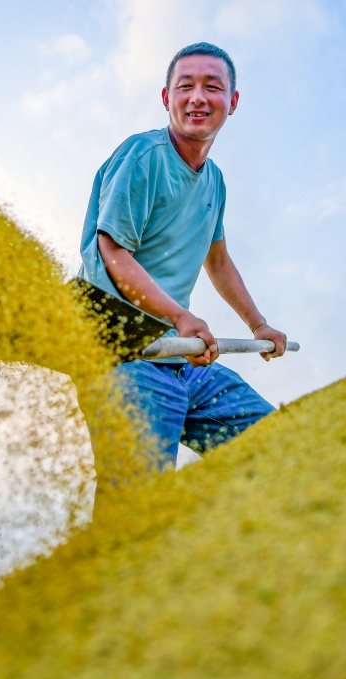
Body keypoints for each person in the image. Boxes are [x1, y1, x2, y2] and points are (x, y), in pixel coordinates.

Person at [78, 42, 288, 470]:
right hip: (123, 357)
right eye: (185, 85)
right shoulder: (144, 156)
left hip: (180, 360)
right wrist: (180, 316)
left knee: (278, 447)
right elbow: (112, 249)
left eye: (212, 86)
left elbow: (219, 262)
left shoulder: (215, 182)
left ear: (232, 103)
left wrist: (258, 324)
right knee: (141, 500)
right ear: (166, 97)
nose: (197, 97)